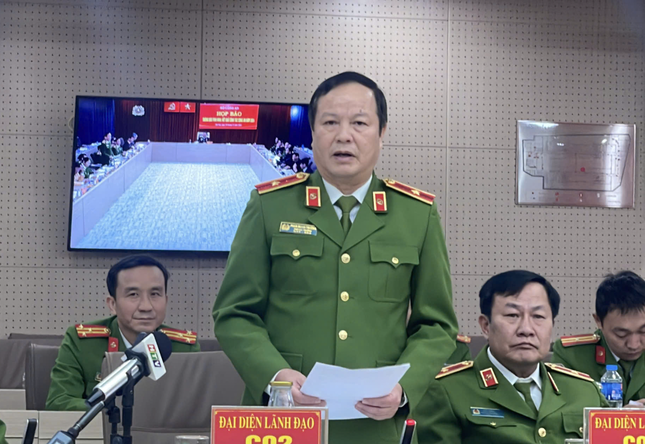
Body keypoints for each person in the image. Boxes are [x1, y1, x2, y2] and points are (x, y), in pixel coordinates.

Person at [213, 71, 458, 444]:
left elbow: (437, 325)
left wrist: (403, 389)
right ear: (313, 133)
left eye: (359, 123)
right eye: (330, 123)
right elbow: (234, 314)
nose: (344, 136)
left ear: (382, 132)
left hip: (373, 425)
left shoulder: (416, 214)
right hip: (283, 420)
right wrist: (275, 376)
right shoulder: (269, 205)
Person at [417, 270, 608, 444]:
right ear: (485, 326)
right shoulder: (447, 391)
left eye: (538, 317)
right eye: (512, 315)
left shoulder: (585, 392)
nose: (526, 329)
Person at [46, 255, 201, 411]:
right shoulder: (82, 342)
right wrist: (114, 412)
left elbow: (197, 407)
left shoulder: (184, 348)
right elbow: (59, 403)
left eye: (155, 294)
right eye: (133, 295)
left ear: (166, 301)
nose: (146, 307)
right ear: (112, 304)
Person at [552, 271, 645, 404]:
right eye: (621, 334)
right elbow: (561, 409)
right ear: (598, 321)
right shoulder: (571, 356)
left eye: (643, 331)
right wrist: (614, 415)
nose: (633, 344)